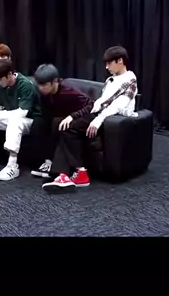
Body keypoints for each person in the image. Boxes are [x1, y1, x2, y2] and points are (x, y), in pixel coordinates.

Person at [42, 46, 138, 193]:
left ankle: (72, 173)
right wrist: (75, 115)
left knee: (68, 128)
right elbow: (98, 103)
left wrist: (98, 120)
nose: (106, 67)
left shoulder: (130, 79)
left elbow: (118, 106)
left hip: (111, 118)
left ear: (120, 61)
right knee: (60, 123)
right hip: (97, 113)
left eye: (109, 63)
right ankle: (63, 174)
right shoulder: (111, 80)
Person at [31, 64, 94, 179]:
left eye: (44, 85)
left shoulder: (68, 91)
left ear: (55, 82)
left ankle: (64, 173)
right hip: (62, 118)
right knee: (44, 123)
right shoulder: (45, 95)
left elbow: (91, 105)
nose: (41, 88)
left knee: (63, 127)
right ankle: (51, 164)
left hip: (84, 117)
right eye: (39, 85)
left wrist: (72, 116)